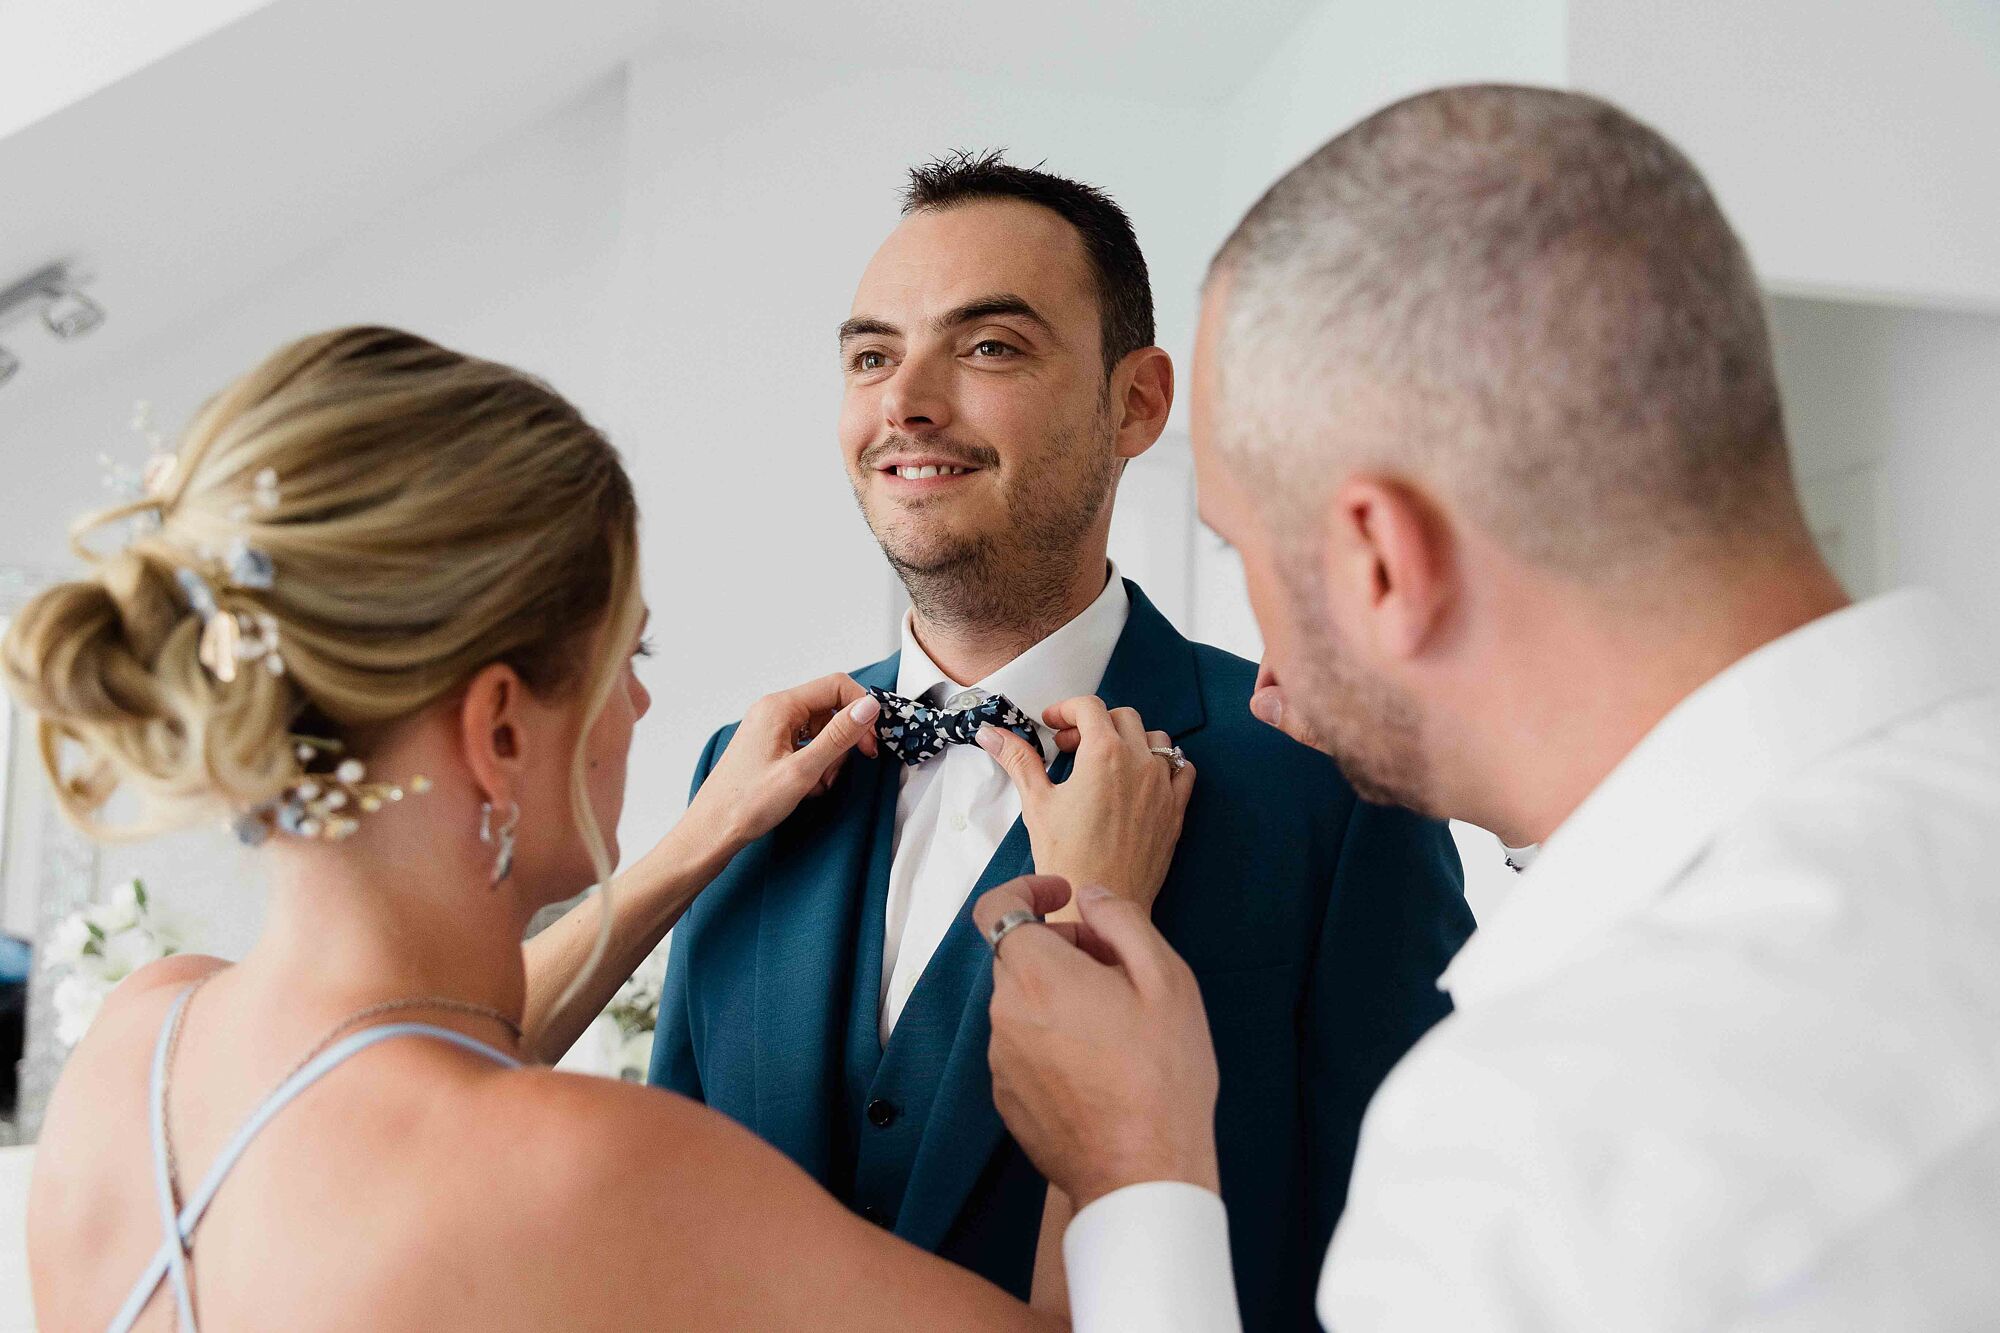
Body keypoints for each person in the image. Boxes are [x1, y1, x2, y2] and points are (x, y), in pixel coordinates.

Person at [973, 85, 2000, 1330]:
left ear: (1379, 563)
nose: (1263, 682)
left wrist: (1135, 1179)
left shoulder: (1536, 1146)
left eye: (1243, 549)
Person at [4, 326, 1181, 1329]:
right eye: (633, 652)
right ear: (501, 730)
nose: (643, 706)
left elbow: (409, 1051)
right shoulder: (595, 1171)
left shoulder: (140, 1045)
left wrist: (695, 844)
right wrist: (1092, 925)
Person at [650, 151, 1474, 1328]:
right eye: (871, 356)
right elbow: (670, 1216)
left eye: (987, 347)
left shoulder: (1327, 778)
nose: (904, 403)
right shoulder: (743, 773)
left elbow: (1408, 1254)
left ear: (1136, 401)